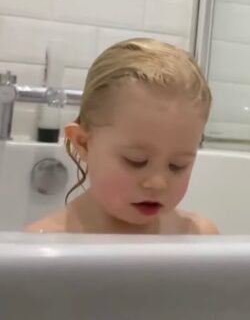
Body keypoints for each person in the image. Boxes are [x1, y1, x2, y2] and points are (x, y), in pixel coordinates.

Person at [24, 38, 219, 234]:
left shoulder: (198, 236)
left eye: (178, 165)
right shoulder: (43, 243)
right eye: (136, 161)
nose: (158, 183)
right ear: (84, 144)